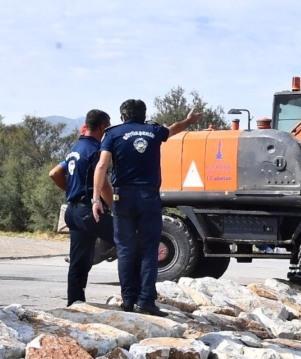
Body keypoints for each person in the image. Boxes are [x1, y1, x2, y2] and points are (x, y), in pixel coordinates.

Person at [93, 100, 200, 315]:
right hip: (148, 197)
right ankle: (145, 302)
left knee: (125, 250)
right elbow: (174, 128)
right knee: (149, 250)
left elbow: (102, 166)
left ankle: (128, 301)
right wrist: (189, 120)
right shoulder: (154, 131)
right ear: (144, 115)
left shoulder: (113, 134)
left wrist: (97, 198)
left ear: (122, 116)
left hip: (122, 197)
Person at [48, 109, 115, 306]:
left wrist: (72, 189)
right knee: (130, 242)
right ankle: (135, 297)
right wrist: (114, 208)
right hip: (89, 211)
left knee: (79, 261)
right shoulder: (97, 150)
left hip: (73, 211)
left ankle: (75, 303)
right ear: (103, 127)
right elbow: (102, 183)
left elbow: (54, 173)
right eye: (108, 128)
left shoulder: (74, 149)